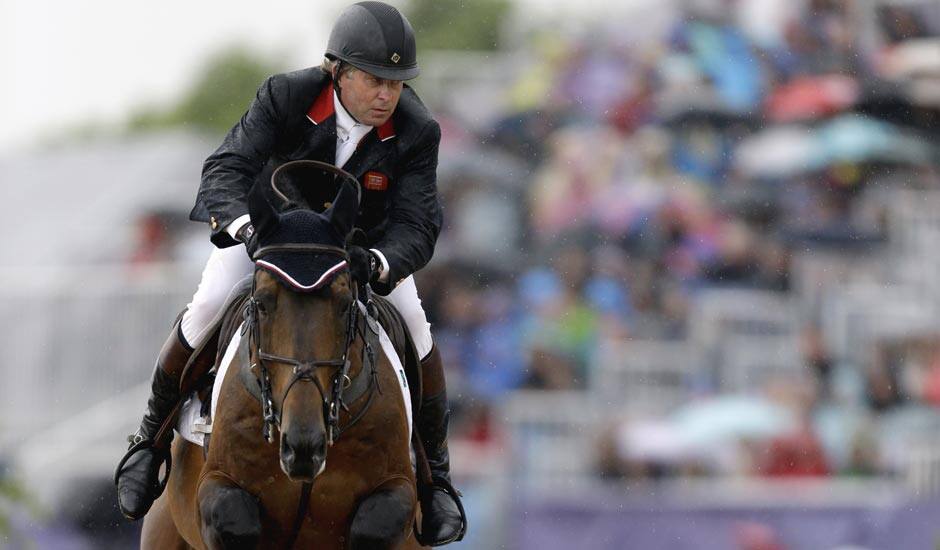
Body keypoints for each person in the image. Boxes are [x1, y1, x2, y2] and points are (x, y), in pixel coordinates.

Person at [115, 1, 466, 544]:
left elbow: (418, 223)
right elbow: (226, 167)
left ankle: (436, 479)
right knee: (207, 307)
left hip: (356, 255)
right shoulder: (286, 97)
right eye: (374, 79)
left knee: (417, 331)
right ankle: (150, 444)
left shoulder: (417, 131)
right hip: (270, 240)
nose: (386, 95)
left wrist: (378, 262)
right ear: (338, 71)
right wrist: (245, 229)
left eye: (396, 83)